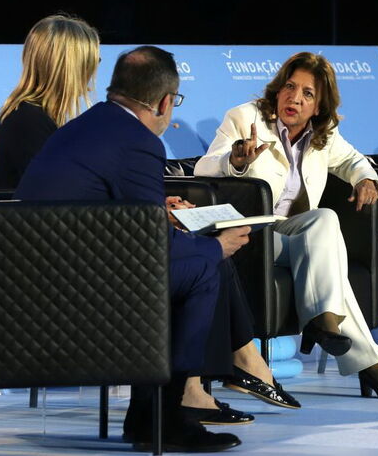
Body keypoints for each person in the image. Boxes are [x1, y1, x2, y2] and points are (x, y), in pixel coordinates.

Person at [15, 46, 294, 452]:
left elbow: (102, 212)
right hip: (72, 295)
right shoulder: (140, 141)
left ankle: (150, 416)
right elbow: (150, 250)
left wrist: (160, 216)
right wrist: (217, 246)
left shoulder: (83, 126)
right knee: (203, 267)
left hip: (35, 281)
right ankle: (170, 415)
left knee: (195, 261)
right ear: (165, 102)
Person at [195, 52, 378, 399]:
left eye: (307, 94)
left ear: (319, 107)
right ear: (278, 90)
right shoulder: (244, 117)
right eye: (290, 86)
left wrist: (366, 180)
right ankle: (364, 355)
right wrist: (235, 160)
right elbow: (203, 170)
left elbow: (352, 160)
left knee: (325, 218)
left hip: (291, 234)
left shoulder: (323, 134)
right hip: (251, 235)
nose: (294, 98)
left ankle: (325, 322)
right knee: (330, 259)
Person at [0, 14, 100, 189]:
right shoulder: (29, 122)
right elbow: (55, 194)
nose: (95, 69)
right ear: (70, 67)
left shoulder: (31, 117)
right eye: (92, 61)